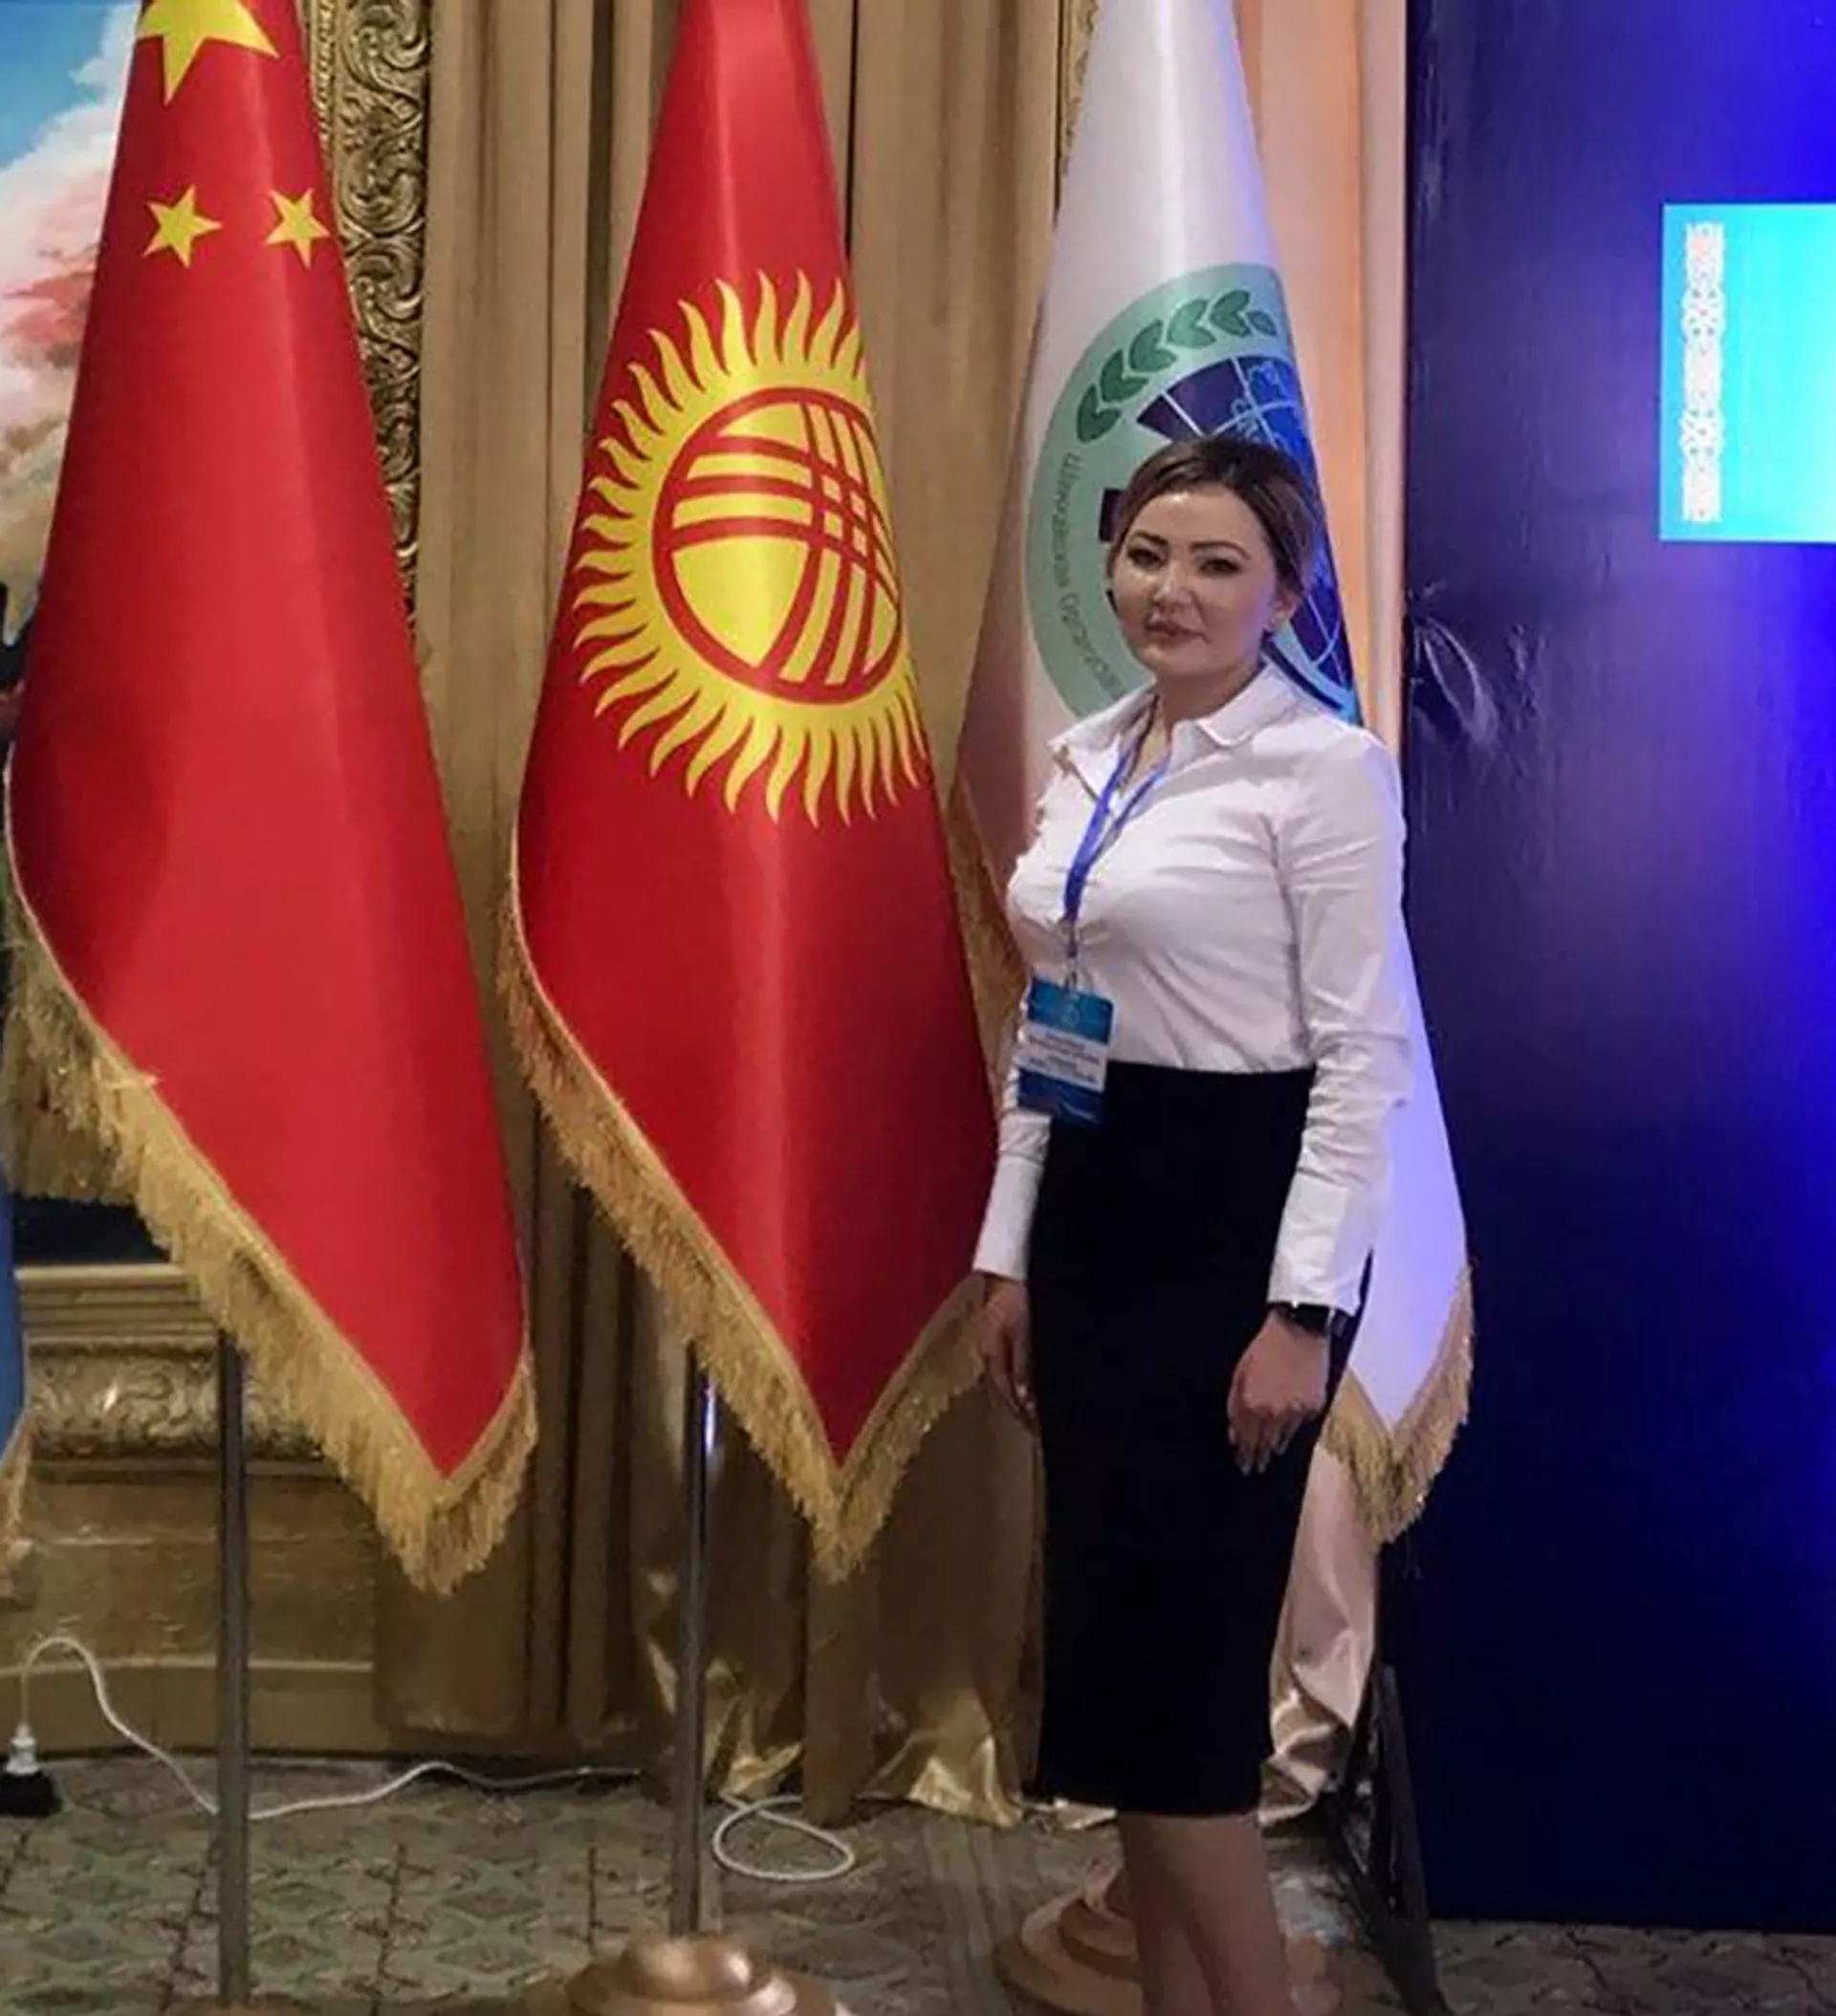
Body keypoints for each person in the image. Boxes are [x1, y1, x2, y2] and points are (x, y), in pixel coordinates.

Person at [973, 434, 1412, 2016]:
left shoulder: (1323, 770)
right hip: (1098, 1222)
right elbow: (1056, 1022)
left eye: (1219, 564)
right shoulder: (1093, 755)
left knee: (1180, 1716)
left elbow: (1361, 1059)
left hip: (1235, 1234)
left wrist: (1301, 1316)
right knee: (1123, 1699)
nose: (1173, 589)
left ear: (1283, 595)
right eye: (1150, 553)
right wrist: (1010, 1247)